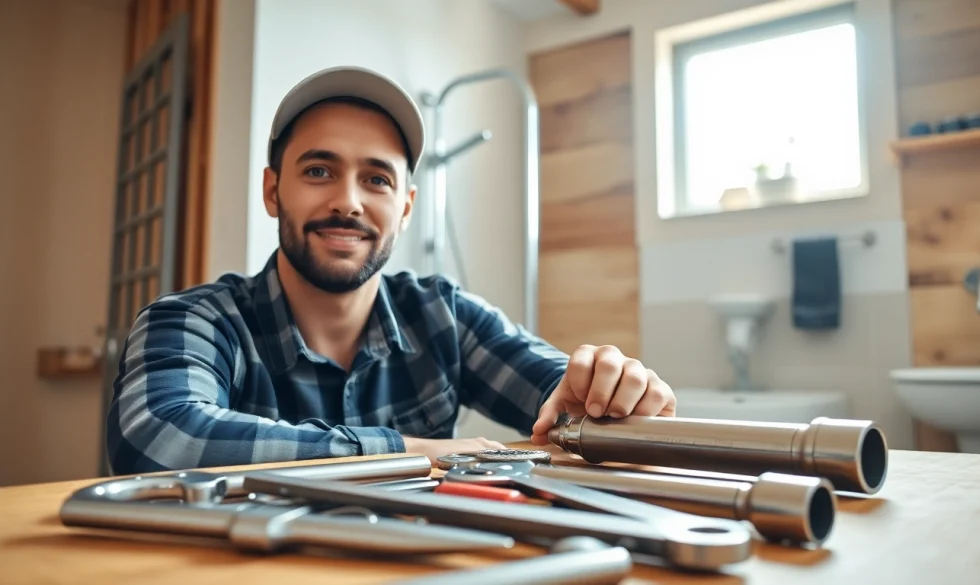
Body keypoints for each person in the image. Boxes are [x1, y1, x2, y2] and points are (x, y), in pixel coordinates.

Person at [105, 66, 676, 475]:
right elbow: (159, 436)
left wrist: (609, 391)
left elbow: (563, 397)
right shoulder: (195, 320)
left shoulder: (443, 314)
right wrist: (413, 450)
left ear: (404, 206)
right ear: (273, 190)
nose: (349, 202)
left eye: (377, 179)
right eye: (320, 170)